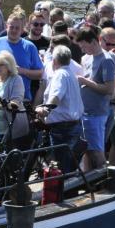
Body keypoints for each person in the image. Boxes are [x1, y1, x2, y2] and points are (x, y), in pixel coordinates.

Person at [37, 46, 85, 174]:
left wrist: (45, 109)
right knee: (69, 164)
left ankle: (63, 192)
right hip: (73, 125)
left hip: (62, 128)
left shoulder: (60, 75)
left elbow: (56, 96)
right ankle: (68, 191)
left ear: (54, 60)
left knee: (61, 166)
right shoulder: (71, 74)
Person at [0, 7, 44, 100]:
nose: (14, 30)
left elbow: (40, 74)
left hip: (22, 99)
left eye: (17, 28)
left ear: (22, 30)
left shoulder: (30, 47)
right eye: (11, 27)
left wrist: (23, 71)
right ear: (6, 26)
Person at [75, 26, 115, 171]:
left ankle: (105, 179)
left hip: (96, 113)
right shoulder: (86, 58)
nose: (82, 50)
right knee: (86, 149)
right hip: (83, 112)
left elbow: (109, 90)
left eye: (84, 46)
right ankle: (87, 180)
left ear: (93, 42)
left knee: (97, 150)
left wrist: (85, 82)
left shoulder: (107, 60)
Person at [0, 51, 28, 147]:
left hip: (9, 127)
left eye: (0, 65)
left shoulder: (16, 79)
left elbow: (16, 102)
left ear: (9, 65)